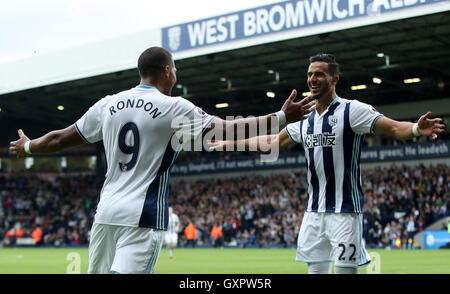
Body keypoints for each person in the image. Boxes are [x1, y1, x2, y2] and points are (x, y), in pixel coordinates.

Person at [9, 46, 315, 274]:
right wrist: (279, 117)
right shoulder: (174, 107)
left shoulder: (108, 104)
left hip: (106, 213)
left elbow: (61, 138)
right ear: (166, 71)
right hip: (141, 216)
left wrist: (30, 146)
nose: (177, 74)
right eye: (176, 69)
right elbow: (225, 128)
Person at [209, 53, 445, 274]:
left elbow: (393, 127)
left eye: (320, 74)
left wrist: (415, 128)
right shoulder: (304, 120)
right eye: (310, 74)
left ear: (334, 79)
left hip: (345, 213)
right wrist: (232, 142)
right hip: (313, 213)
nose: (313, 78)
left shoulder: (353, 110)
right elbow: (272, 141)